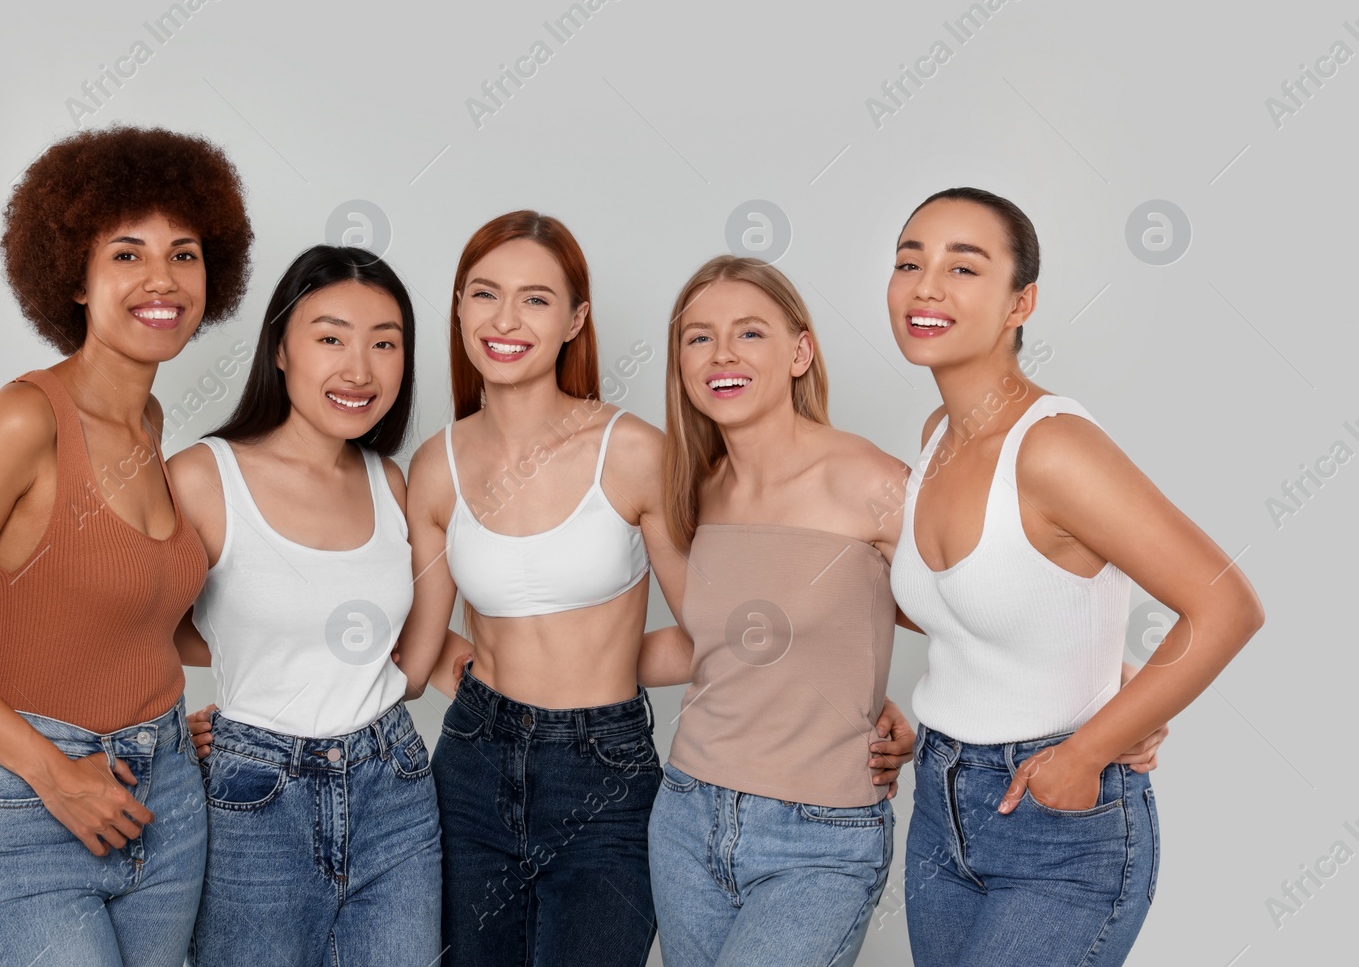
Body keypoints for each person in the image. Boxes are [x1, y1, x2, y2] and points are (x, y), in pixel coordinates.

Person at [0, 126, 253, 966]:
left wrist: (153, 725)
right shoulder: (23, 419)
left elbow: (75, 600)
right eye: (127, 254)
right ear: (74, 277)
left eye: (184, 254)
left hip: (167, 797)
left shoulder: (152, 427)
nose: (163, 279)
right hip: (28, 811)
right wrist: (52, 767)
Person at [886, 187, 1263, 965]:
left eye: (964, 267)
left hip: (1058, 827)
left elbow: (1225, 604)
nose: (926, 286)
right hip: (938, 807)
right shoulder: (936, 436)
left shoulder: (1054, 447)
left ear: (1020, 301)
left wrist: (1090, 748)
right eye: (909, 262)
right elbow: (991, 607)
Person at [397, 210, 681, 967]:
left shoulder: (632, 451)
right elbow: (418, 648)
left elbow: (718, 631)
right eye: (485, 293)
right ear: (458, 305)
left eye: (536, 298)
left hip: (606, 769)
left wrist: (842, 690)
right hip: (472, 762)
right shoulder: (435, 465)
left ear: (574, 319)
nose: (506, 319)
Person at [638, 255, 912, 966]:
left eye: (749, 332)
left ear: (800, 350)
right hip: (687, 814)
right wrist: (545, 659)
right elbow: (715, 644)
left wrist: (1103, 685)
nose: (721, 353)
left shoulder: (871, 481)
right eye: (698, 337)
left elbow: (979, 606)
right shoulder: (697, 490)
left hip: (820, 838)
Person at [172, 246, 442, 966]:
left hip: (394, 785)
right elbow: (120, 621)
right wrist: (171, 724)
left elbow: (384, 641)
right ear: (281, 349)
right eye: (331, 337)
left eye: (385, 343)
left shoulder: (391, 481)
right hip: (256, 800)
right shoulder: (203, 477)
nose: (359, 369)